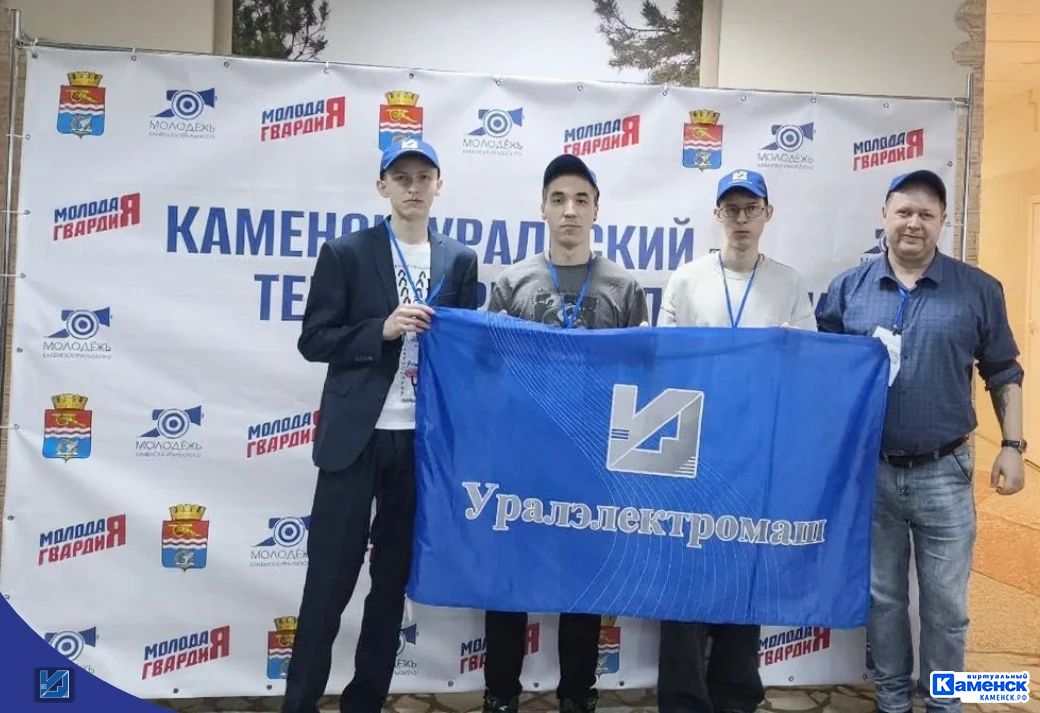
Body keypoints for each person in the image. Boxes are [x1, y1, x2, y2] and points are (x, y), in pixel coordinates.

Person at [815, 169, 1026, 713]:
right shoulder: (848, 289)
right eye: (904, 211)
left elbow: (1003, 371)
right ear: (884, 215)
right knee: (883, 598)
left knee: (947, 606)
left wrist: (1013, 445)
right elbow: (823, 374)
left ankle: (944, 702)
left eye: (926, 214)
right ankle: (891, 700)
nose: (914, 223)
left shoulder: (978, 290)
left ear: (943, 222)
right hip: (872, 472)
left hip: (945, 471)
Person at [282, 138, 479, 713]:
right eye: (402, 177)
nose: (413, 187)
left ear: (439, 185)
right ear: (382, 186)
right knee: (328, 582)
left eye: (424, 177)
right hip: (355, 440)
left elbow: (465, 350)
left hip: (420, 443)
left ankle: (364, 702)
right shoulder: (345, 252)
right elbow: (314, 339)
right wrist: (380, 330)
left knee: (391, 584)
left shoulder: (459, 260)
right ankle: (298, 703)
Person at [481, 154, 649, 713]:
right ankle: (500, 693)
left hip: (592, 463)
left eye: (581, 199)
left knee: (584, 580)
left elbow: (640, 379)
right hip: (521, 460)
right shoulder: (511, 284)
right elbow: (485, 370)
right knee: (509, 580)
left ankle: (578, 694)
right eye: (559, 199)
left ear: (597, 210)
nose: (570, 210)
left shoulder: (624, 288)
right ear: (543, 209)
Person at [656, 168, 815, 713]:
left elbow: (810, 367)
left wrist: (793, 351)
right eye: (732, 209)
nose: (741, 219)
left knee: (745, 572)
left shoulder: (788, 283)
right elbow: (664, 364)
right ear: (717, 214)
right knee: (684, 573)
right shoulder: (686, 280)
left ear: (767, 214)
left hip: (757, 451)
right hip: (691, 448)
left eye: (751, 209)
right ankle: (683, 699)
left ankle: (735, 695)